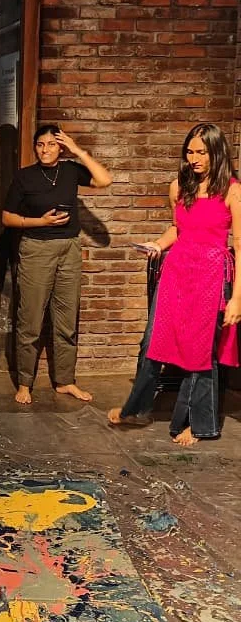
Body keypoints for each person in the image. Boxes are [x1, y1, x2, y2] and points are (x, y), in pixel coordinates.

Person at [109, 123, 241, 445]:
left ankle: (198, 425)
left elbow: (240, 246)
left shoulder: (233, 191)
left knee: (200, 352)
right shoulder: (178, 187)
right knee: (152, 342)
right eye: (190, 151)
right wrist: (157, 243)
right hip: (177, 272)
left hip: (211, 276)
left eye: (201, 152)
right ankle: (136, 407)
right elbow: (177, 230)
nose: (193, 158)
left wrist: (237, 298)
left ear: (216, 152)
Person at [2, 124, 112, 405]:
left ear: (60, 147)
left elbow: (104, 180)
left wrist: (78, 151)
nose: (45, 149)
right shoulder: (25, 177)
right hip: (36, 248)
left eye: (52, 144)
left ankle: (65, 381)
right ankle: (25, 383)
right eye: (40, 144)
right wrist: (41, 222)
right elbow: (7, 218)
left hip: (69, 248)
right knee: (31, 319)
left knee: (66, 319)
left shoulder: (70, 171)